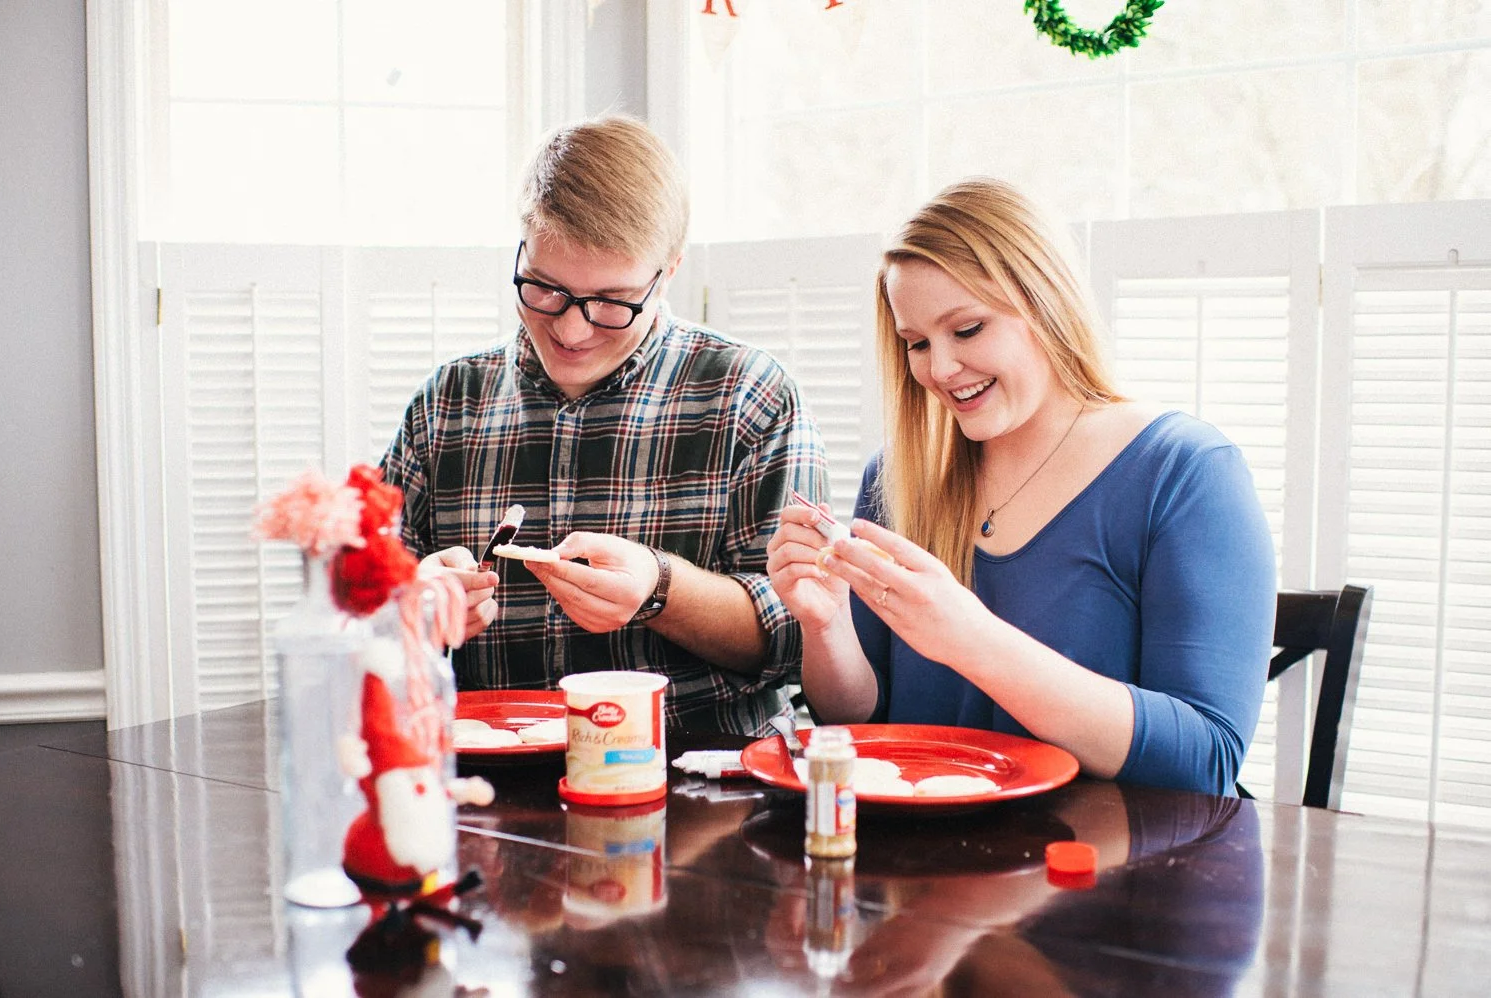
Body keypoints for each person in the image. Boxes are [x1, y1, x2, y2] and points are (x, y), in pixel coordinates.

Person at [766, 178, 1275, 795]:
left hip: (1102, 852)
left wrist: (971, 639)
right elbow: (862, 724)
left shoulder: (1185, 472)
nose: (940, 369)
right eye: (917, 343)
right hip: (924, 851)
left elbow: (1207, 759)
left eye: (968, 329)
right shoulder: (897, 477)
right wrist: (826, 625)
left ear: (1045, 303)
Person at [380, 114, 827, 735]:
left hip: (704, 770)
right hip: (489, 769)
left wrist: (661, 589)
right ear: (521, 249)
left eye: (612, 303)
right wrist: (410, 606)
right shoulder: (446, 403)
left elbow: (799, 639)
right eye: (545, 289)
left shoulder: (749, 394)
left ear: (668, 272)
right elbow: (357, 619)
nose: (571, 330)